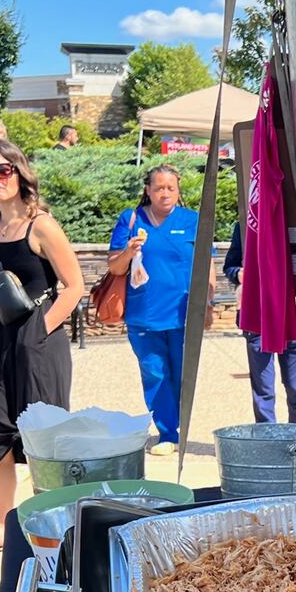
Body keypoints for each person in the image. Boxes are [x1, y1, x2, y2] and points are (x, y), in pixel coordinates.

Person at [0, 138, 83, 558]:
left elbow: (75, 286)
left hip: (38, 338)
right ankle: (3, 524)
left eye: (1, 170)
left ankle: (58, 523)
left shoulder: (40, 224)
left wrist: (40, 329)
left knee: (45, 434)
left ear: (19, 172)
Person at [106, 165, 214, 454]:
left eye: (170, 188)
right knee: (155, 373)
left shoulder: (192, 220)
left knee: (181, 374)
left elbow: (207, 264)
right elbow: (115, 267)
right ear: (148, 191)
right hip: (144, 314)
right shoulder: (130, 219)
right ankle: (168, 432)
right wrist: (129, 250)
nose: (164, 193)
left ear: (178, 191)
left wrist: (208, 302)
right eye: (158, 188)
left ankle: (181, 424)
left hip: (183, 313)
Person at [224, 221, 296, 423]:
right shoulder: (246, 224)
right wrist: (239, 274)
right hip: (257, 315)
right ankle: (267, 439)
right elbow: (231, 266)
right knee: (263, 390)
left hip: (294, 315)